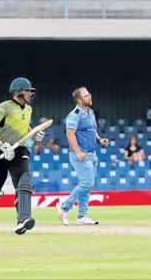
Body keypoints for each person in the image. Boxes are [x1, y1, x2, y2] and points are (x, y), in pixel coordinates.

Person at [0, 77, 46, 235]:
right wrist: (0, 144)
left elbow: (24, 126)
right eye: (26, 91)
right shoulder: (5, 107)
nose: (29, 94)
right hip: (2, 150)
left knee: (24, 183)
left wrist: (34, 133)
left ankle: (23, 221)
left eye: (30, 91)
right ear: (17, 91)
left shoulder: (28, 109)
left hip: (20, 151)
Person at [56, 87, 109, 226]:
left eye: (89, 94)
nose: (90, 97)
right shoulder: (75, 114)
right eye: (87, 95)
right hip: (80, 154)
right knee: (87, 183)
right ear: (79, 99)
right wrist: (79, 152)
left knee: (87, 185)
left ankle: (82, 216)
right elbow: (70, 134)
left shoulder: (90, 112)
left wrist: (99, 140)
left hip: (92, 153)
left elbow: (92, 130)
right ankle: (64, 206)